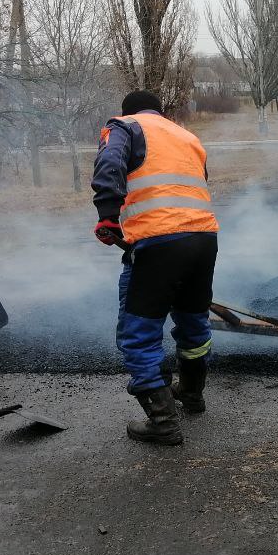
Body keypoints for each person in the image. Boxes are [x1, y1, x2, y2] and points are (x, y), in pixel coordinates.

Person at [92, 90, 219, 446]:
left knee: (138, 333)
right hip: (204, 238)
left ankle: (163, 422)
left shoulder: (124, 126)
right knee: (193, 320)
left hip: (158, 241)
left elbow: (109, 165)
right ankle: (192, 395)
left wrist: (107, 215)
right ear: (160, 112)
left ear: (127, 109)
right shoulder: (185, 135)